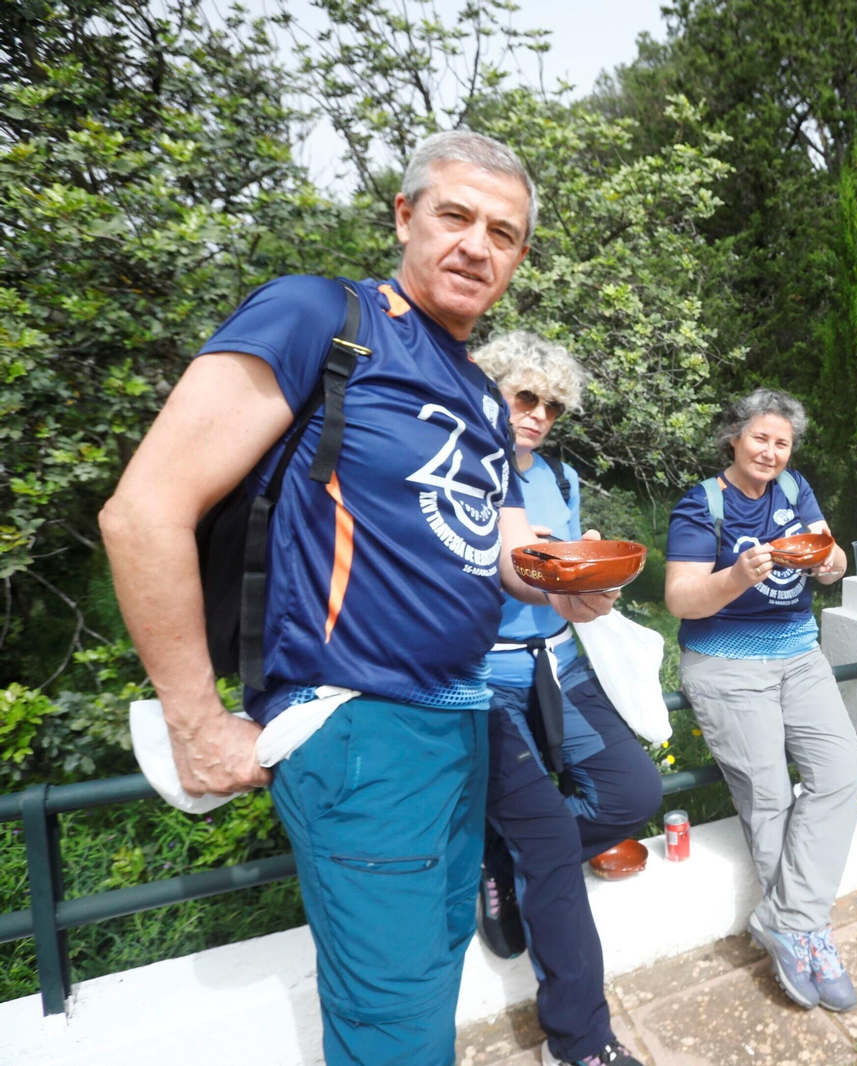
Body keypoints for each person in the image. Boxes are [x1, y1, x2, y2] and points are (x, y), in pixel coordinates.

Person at [99, 130, 621, 1065]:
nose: (475, 244)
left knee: (421, 987)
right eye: (455, 215)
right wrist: (196, 721)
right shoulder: (321, 320)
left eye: (502, 232)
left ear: (519, 258)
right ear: (404, 216)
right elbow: (142, 513)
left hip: (467, 717)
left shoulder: (478, 391)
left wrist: (562, 580)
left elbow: (494, 546)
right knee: (398, 1029)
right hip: (362, 726)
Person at [472, 333, 659, 1066]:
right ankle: (583, 1044)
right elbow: (508, 569)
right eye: (526, 396)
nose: (539, 414)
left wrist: (587, 576)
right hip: (482, 679)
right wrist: (542, 572)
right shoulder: (461, 470)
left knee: (632, 788)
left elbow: (560, 569)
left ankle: (510, 867)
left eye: (552, 405)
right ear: (490, 390)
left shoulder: (557, 476)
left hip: (558, 663)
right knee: (548, 835)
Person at [664, 389, 857, 1012]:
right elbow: (680, 600)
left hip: (799, 654)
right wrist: (736, 576)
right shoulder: (702, 505)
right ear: (735, 438)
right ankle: (807, 936)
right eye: (760, 438)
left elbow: (832, 556)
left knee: (841, 772)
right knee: (770, 794)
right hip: (725, 662)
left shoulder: (796, 491)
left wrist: (830, 563)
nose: (771, 452)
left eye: (782, 442)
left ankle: (790, 920)